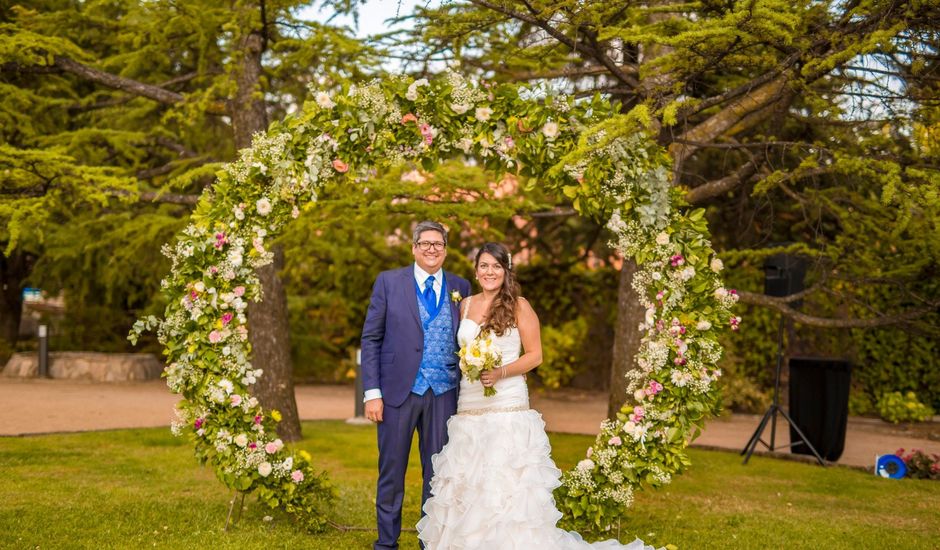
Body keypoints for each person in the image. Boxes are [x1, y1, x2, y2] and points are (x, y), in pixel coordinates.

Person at [416, 242, 653, 550]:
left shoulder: (519, 305)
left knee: (503, 484)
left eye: (496, 267)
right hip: (469, 404)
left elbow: (535, 355)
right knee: (469, 480)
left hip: (506, 404)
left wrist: (501, 372)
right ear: (476, 271)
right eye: (484, 266)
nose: (490, 272)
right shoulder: (465, 305)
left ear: (506, 271)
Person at [361, 220, 472, 550]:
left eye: (438, 244)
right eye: (425, 243)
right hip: (397, 393)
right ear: (413, 248)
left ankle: (431, 542)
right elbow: (371, 338)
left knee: (437, 475)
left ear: (446, 249)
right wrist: (372, 393)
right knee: (392, 472)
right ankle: (387, 543)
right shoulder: (389, 282)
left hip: (445, 393)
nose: (431, 249)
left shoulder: (461, 286)